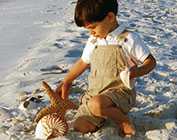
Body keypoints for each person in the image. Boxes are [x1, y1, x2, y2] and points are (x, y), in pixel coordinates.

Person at [55, 0, 156, 137]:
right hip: (95, 93)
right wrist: (67, 81)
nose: (91, 33)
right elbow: (83, 62)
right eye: (88, 30)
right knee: (80, 126)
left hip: (120, 93)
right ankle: (104, 116)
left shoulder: (128, 39)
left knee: (97, 104)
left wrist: (134, 72)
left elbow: (150, 62)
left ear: (110, 17)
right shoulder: (93, 42)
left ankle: (123, 121)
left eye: (93, 28)